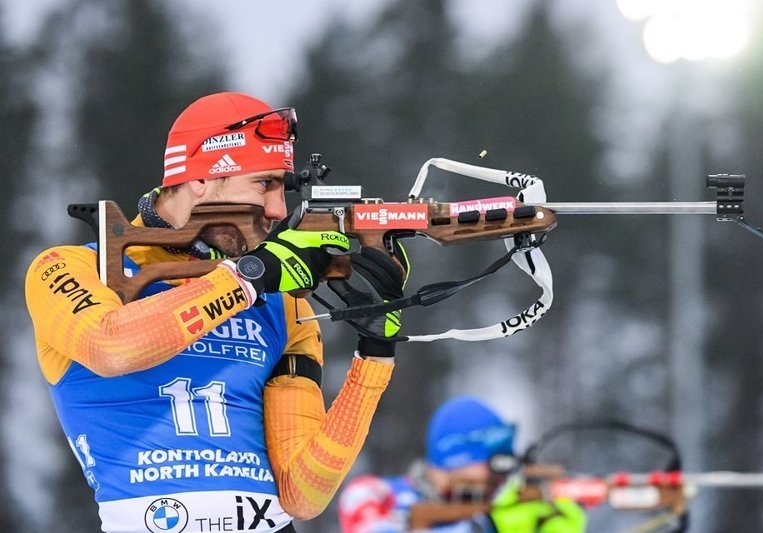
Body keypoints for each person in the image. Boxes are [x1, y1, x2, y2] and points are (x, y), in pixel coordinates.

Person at [25, 92, 407, 533]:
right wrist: (249, 276)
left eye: (285, 187)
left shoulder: (282, 305)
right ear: (201, 180)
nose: (279, 210)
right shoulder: (69, 268)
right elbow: (113, 347)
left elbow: (303, 493)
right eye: (265, 184)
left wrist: (375, 351)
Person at [338, 396, 586, 532]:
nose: (500, 477)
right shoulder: (373, 494)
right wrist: (485, 525)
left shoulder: (495, 505)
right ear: (457, 456)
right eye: (493, 462)